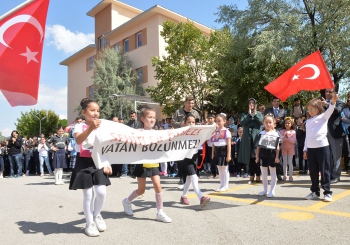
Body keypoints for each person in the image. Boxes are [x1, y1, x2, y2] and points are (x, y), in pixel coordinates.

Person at [69, 98, 112, 237]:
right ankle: (89, 224)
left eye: (98, 110)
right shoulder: (78, 126)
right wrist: (91, 127)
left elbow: (107, 147)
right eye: (92, 110)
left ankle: (97, 215)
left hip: (98, 162)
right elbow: (78, 140)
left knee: (101, 192)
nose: (96, 113)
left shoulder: (103, 126)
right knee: (88, 194)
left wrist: (107, 163)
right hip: (84, 162)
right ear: (84, 112)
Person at [122, 107, 172, 223]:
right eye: (150, 117)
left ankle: (160, 212)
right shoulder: (138, 132)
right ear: (143, 119)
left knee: (158, 186)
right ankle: (127, 201)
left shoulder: (158, 133)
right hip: (142, 164)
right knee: (141, 190)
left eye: (154, 117)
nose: (152, 119)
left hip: (154, 163)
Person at [303, 93, 338, 202]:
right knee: (313, 171)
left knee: (325, 170)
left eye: (312, 109)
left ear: (318, 108)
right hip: (311, 148)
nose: (310, 111)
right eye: (308, 109)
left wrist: (332, 102)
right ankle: (315, 191)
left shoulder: (323, 117)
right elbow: (307, 136)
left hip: (322, 147)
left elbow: (331, 109)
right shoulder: (308, 121)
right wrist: (305, 149)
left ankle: (327, 192)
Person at [179, 113, 211, 207]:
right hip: (185, 158)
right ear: (184, 123)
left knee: (189, 179)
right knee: (193, 176)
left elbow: (208, 136)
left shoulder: (198, 132)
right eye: (189, 122)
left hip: (194, 157)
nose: (191, 124)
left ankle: (183, 196)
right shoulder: (181, 132)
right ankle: (201, 197)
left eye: (193, 122)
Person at [238, 98, 263, 184]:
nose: (251, 105)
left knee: (257, 157)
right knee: (250, 158)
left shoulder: (259, 113)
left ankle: (258, 176)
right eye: (250, 103)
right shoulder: (244, 114)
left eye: (253, 103)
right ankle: (251, 176)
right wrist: (249, 115)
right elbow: (242, 123)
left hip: (256, 138)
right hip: (248, 139)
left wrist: (255, 114)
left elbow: (261, 122)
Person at [255, 114, 280, 198]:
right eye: (266, 122)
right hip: (263, 154)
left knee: (273, 172)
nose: (268, 124)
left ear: (274, 123)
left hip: (272, 154)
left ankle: (272, 190)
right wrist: (257, 156)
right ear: (263, 123)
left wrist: (277, 157)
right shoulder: (261, 134)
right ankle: (265, 189)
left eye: (270, 122)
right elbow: (258, 146)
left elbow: (277, 147)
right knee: (264, 173)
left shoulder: (276, 134)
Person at [323, 88, 345, 183]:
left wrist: (328, 104)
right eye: (326, 91)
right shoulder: (322, 102)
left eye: (330, 92)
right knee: (327, 155)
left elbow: (337, 111)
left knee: (336, 155)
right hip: (323, 132)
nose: (328, 93)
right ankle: (329, 174)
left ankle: (336, 175)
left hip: (335, 132)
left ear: (335, 93)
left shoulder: (340, 102)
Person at [211, 114, 231, 192]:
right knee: (219, 168)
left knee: (225, 169)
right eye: (217, 121)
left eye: (220, 121)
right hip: (217, 151)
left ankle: (226, 185)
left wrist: (228, 155)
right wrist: (212, 153)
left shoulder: (227, 131)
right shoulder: (215, 131)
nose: (218, 123)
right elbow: (213, 143)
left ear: (224, 121)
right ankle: (221, 184)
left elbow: (229, 144)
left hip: (224, 151)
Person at [280, 117, 296, 181]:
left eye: (288, 123)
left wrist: (288, 138)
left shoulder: (293, 132)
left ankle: (290, 176)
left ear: (291, 124)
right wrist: (285, 137)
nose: (287, 124)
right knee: (285, 162)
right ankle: (284, 175)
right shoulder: (282, 131)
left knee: (290, 162)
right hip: (284, 148)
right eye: (286, 123)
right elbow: (280, 140)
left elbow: (294, 140)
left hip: (291, 148)